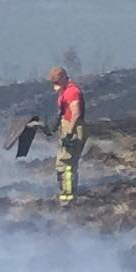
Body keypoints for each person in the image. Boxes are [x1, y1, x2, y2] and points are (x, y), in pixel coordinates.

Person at [47, 65, 86, 205]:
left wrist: (69, 133)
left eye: (56, 82)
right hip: (68, 125)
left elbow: (75, 113)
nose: (55, 86)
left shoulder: (72, 92)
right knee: (68, 162)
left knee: (65, 163)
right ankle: (68, 195)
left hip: (73, 128)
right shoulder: (64, 91)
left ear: (64, 78)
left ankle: (67, 197)